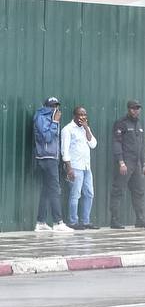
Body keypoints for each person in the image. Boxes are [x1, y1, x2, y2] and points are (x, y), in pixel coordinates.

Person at [109, 100, 145, 228]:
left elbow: (141, 145)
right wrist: (121, 162)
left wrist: (144, 163)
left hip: (137, 164)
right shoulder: (121, 123)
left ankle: (139, 219)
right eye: (133, 108)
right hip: (125, 162)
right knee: (118, 190)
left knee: (139, 191)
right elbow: (116, 143)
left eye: (138, 108)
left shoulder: (139, 123)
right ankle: (114, 220)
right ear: (128, 109)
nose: (136, 110)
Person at [33, 97, 72, 233]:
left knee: (46, 190)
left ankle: (41, 222)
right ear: (46, 107)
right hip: (46, 157)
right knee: (55, 189)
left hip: (51, 158)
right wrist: (55, 121)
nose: (55, 108)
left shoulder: (48, 117)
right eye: (52, 106)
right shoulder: (41, 117)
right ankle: (58, 222)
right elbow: (48, 138)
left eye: (56, 106)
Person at [61, 105, 98, 230]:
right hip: (75, 167)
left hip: (87, 167)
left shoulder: (85, 129)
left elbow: (93, 144)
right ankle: (72, 221)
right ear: (74, 116)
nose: (82, 117)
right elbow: (64, 151)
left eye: (84, 115)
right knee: (75, 194)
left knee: (89, 193)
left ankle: (85, 221)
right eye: (80, 115)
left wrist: (87, 129)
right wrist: (69, 168)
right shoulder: (68, 129)